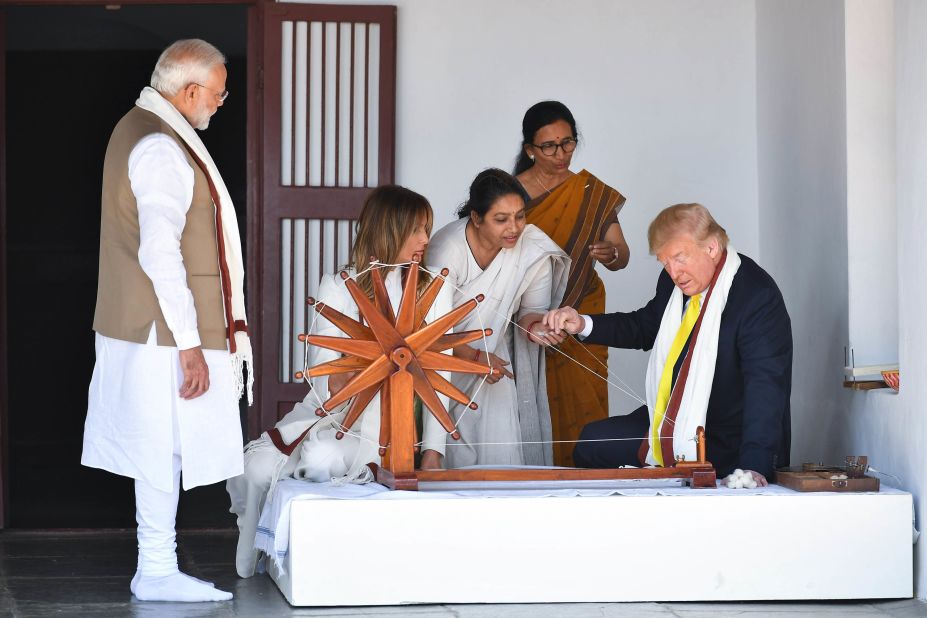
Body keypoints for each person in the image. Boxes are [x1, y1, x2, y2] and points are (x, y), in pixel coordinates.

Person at [82, 40, 250, 602]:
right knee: (160, 446)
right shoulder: (158, 145)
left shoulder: (143, 128)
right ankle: (155, 568)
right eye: (220, 92)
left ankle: (156, 565)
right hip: (162, 330)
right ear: (192, 90)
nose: (222, 103)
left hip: (151, 327)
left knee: (162, 446)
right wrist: (189, 343)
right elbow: (159, 252)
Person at [227, 185, 454, 578]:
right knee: (258, 469)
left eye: (427, 229)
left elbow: (441, 372)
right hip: (333, 412)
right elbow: (324, 373)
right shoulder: (338, 284)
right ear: (388, 228)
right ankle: (259, 548)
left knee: (321, 459)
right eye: (415, 229)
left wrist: (434, 450)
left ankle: (325, 559)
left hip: (393, 423)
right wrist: (380, 365)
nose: (424, 240)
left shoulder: (436, 287)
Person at [543, 203, 791, 484]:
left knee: (601, 448)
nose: (674, 273)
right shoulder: (676, 282)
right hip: (673, 417)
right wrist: (582, 323)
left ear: (711, 247)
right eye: (665, 263)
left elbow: (766, 388)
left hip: (726, 436)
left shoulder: (756, 296)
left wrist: (753, 467)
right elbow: (645, 327)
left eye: (680, 258)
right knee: (591, 442)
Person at [427, 168, 570, 468]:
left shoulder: (533, 248)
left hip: (494, 360)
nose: (514, 228)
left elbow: (531, 313)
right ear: (476, 218)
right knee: (448, 455)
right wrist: (474, 357)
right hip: (440, 365)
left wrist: (539, 329)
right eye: (501, 219)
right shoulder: (447, 249)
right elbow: (431, 332)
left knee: (503, 457)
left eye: (520, 216)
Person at [514, 101, 630, 467]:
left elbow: (622, 255)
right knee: (530, 399)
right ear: (530, 149)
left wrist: (612, 254)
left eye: (568, 143)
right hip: (528, 314)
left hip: (582, 309)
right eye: (549, 146)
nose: (560, 154)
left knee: (585, 401)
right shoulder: (511, 194)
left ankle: (586, 479)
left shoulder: (590, 192)